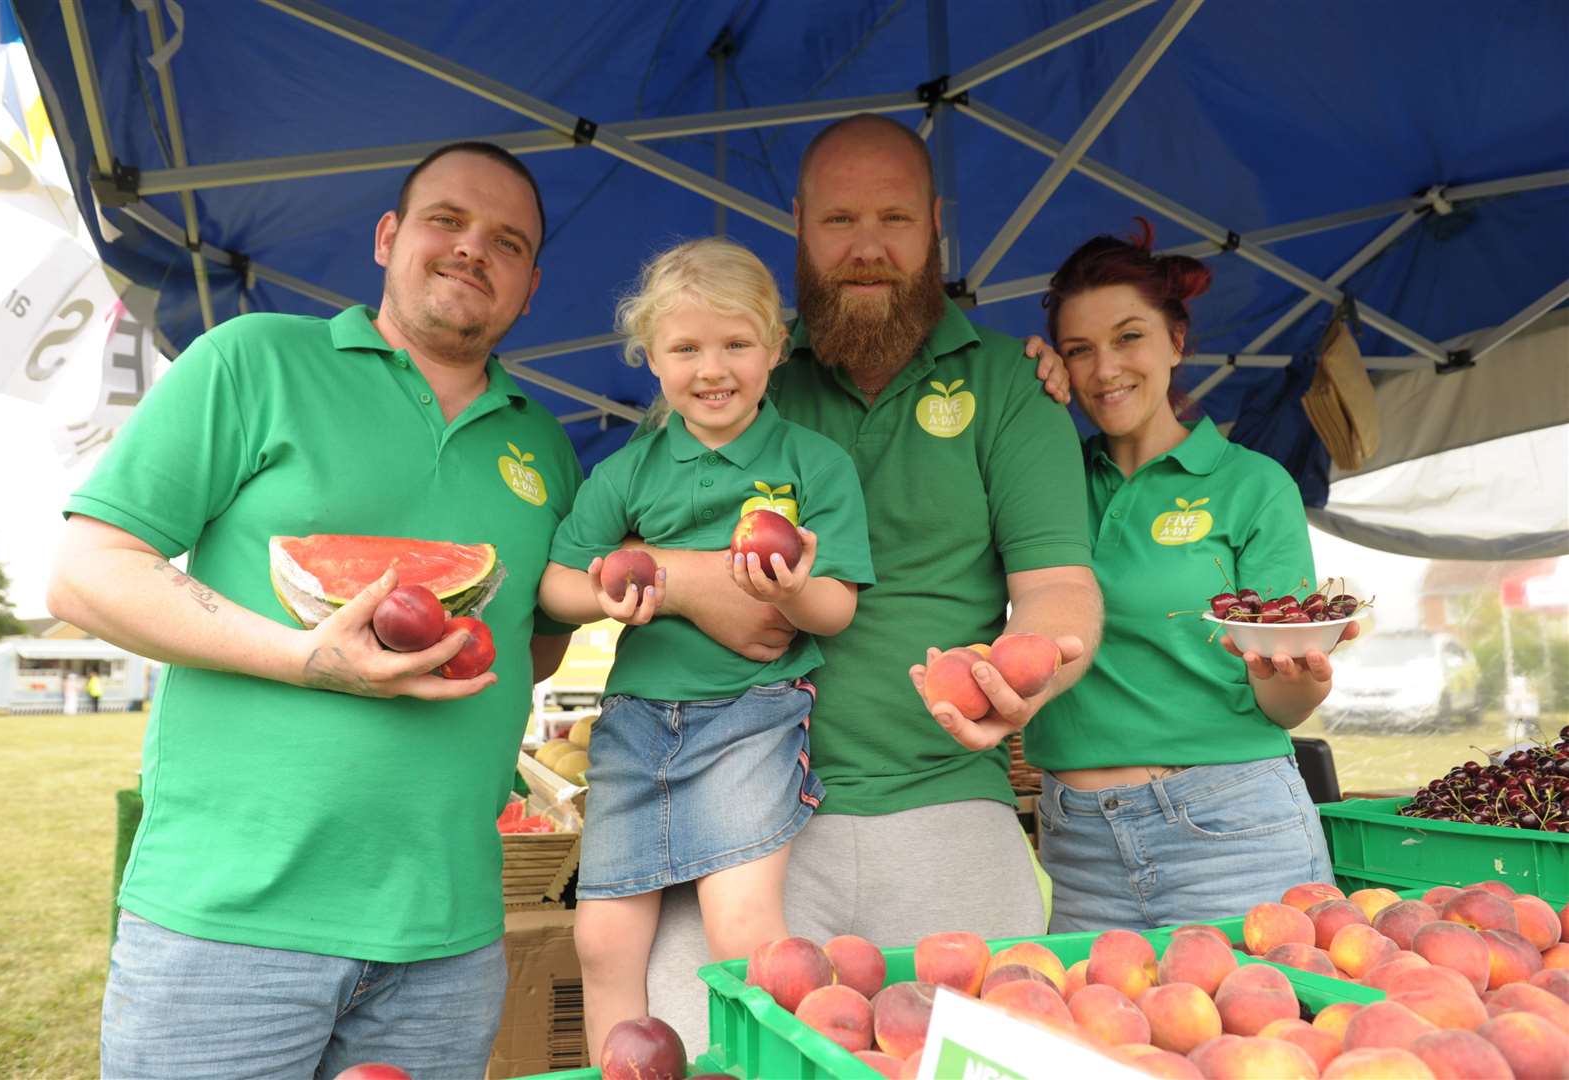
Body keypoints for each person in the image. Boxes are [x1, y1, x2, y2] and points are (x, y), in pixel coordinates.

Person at [46, 141, 582, 1078]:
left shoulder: (547, 448)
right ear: (388, 238)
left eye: (505, 241)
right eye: (445, 222)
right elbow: (87, 572)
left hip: (447, 940)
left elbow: (529, 652)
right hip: (229, 928)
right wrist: (308, 658)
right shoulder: (251, 361)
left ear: (530, 285)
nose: (471, 250)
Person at [642, 114, 1103, 1046]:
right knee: (710, 1060)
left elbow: (1058, 586)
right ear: (798, 227)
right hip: (739, 815)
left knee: (982, 1062)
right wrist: (690, 577)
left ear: (935, 224)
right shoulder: (735, 370)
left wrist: (1035, 672)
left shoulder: (1011, 387)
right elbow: (620, 548)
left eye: (892, 219)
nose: (865, 248)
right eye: (837, 220)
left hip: (946, 809)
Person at [538, 237, 874, 1060]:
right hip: (633, 721)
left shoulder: (812, 463)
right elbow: (555, 583)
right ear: (651, 358)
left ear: (773, 350)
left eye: (734, 344)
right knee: (603, 939)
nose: (710, 368)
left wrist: (791, 587)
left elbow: (835, 609)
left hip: (752, 716)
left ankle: (760, 1069)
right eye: (685, 348)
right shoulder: (629, 470)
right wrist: (611, 592)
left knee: (745, 932)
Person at [1025, 220, 1354, 932]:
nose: (1104, 368)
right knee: (1090, 1046)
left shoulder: (1251, 485)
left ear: (1175, 340)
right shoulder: (1043, 480)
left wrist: (1300, 674)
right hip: (1075, 843)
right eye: (1078, 351)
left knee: (1269, 1041)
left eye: (1127, 337)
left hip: (1232, 831)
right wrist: (1014, 389)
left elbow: (1283, 709)